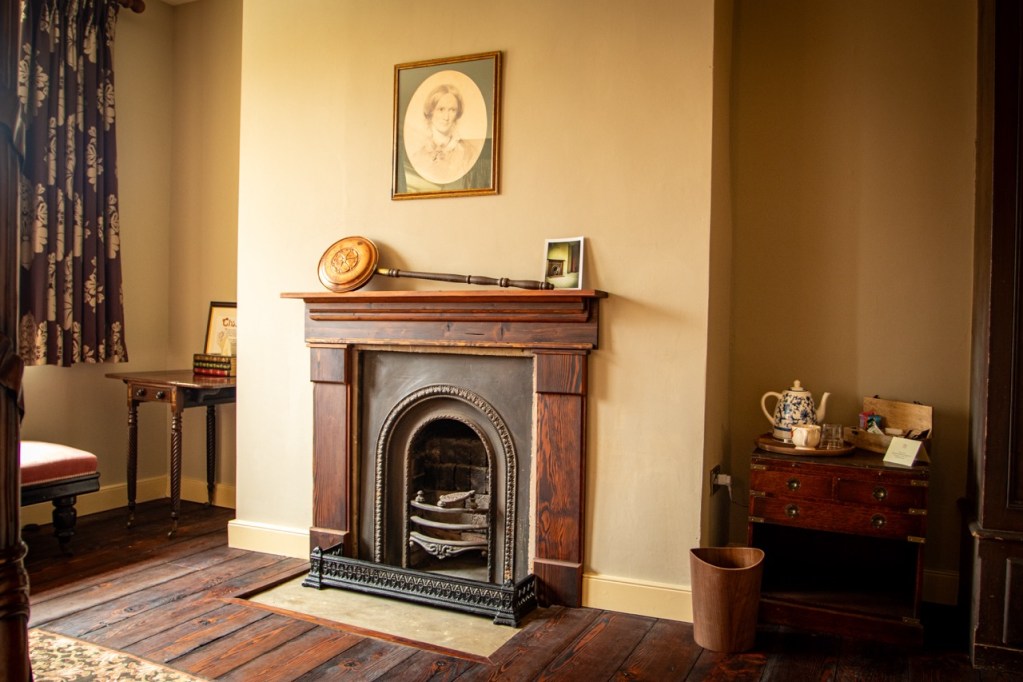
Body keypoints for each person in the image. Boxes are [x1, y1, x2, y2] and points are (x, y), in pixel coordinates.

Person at [408, 83, 481, 185]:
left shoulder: (469, 153)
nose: (446, 117)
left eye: (452, 110)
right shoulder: (418, 158)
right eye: (441, 109)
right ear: (431, 111)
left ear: (457, 114)